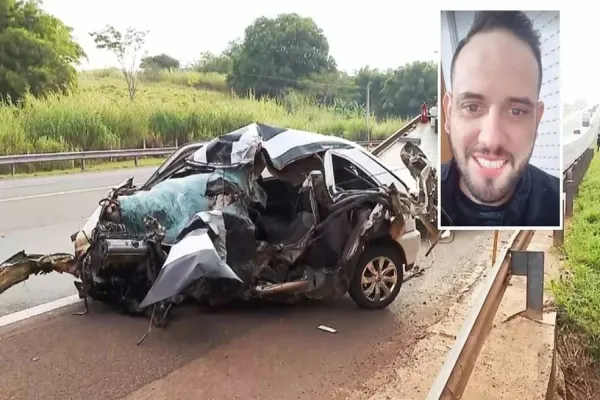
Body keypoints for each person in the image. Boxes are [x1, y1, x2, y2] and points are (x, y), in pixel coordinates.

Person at [440, 11, 560, 227]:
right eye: (472, 107)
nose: (491, 139)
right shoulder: (423, 201)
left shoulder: (558, 204)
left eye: (516, 111)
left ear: (537, 120)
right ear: (448, 114)